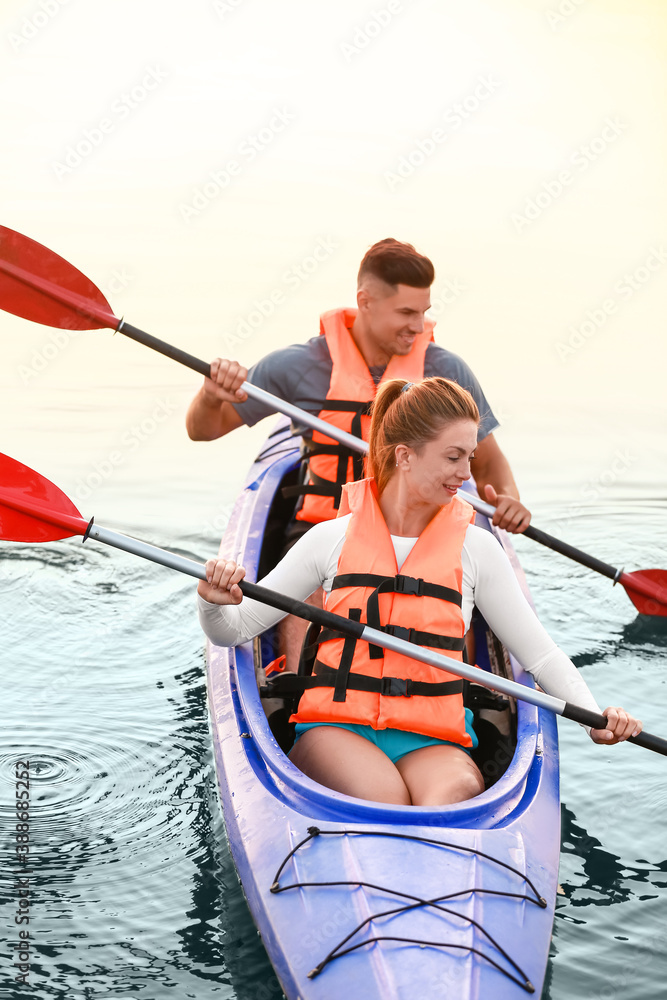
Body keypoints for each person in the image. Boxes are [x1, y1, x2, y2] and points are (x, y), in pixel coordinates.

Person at [197, 377, 642, 807]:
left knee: (455, 795)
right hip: (338, 728)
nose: (465, 474)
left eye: (469, 457)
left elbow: (540, 656)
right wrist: (210, 600)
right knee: (383, 800)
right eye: (453, 458)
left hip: (433, 737)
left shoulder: (477, 549)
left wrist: (593, 718)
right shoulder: (328, 539)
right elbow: (232, 631)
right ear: (405, 456)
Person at [186, 238, 531, 535]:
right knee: (299, 615)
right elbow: (203, 430)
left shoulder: (446, 371)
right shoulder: (295, 367)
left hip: (417, 533)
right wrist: (209, 396)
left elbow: (488, 463)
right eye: (406, 312)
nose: (418, 325)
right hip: (325, 530)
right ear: (365, 302)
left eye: (423, 312)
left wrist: (508, 498)